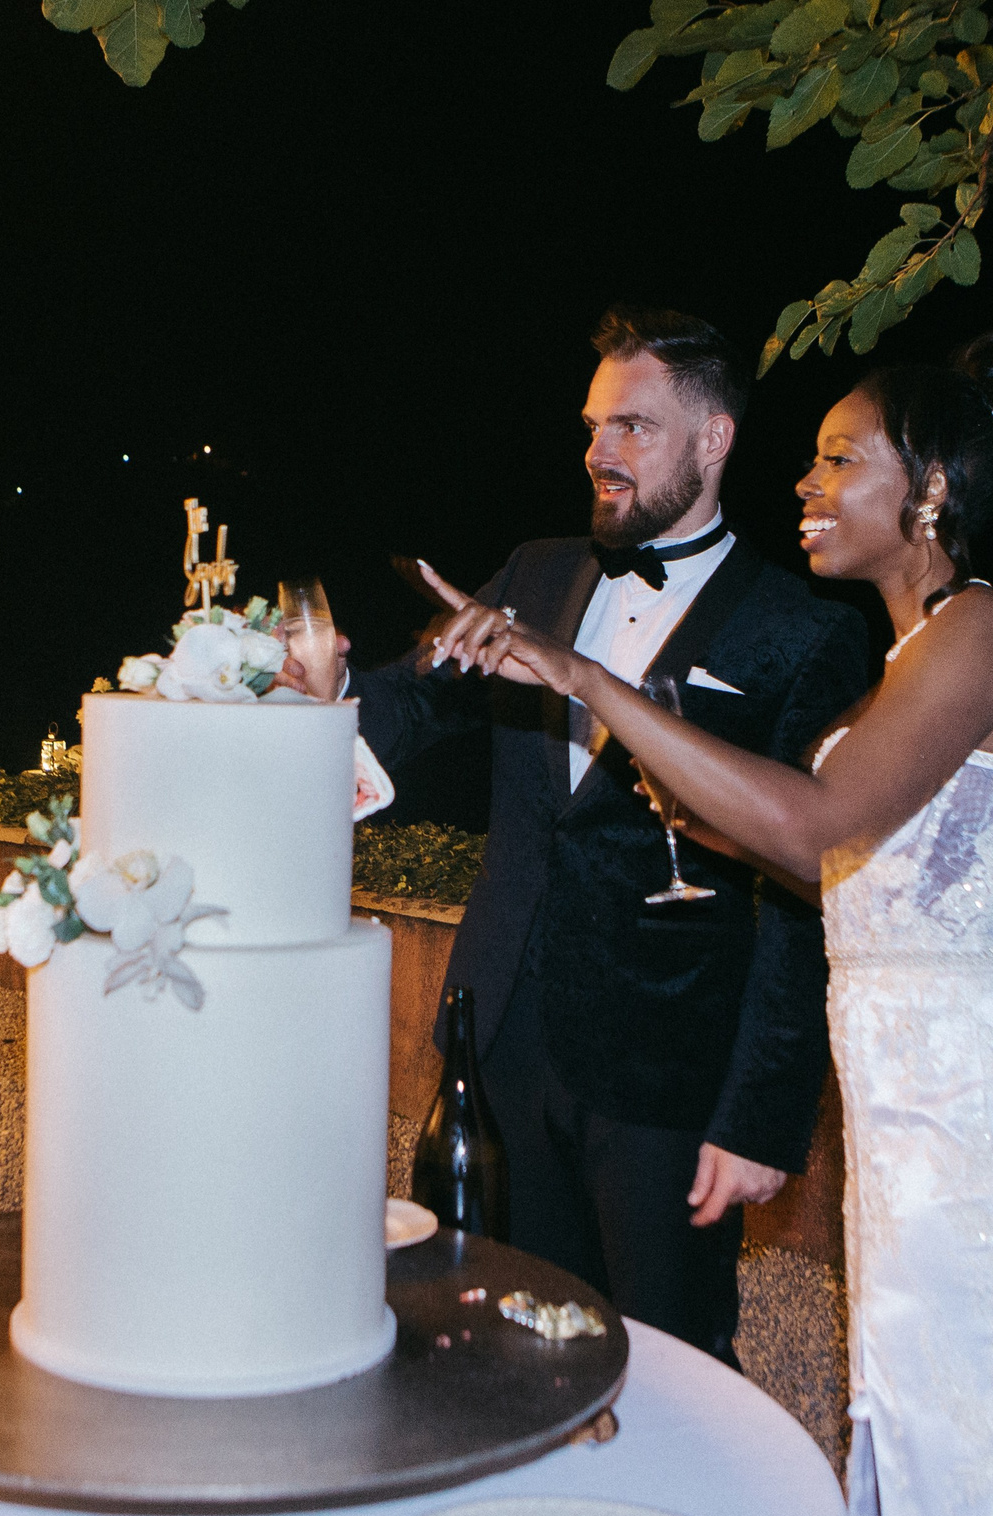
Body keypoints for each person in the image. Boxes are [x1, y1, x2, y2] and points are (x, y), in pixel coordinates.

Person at [452, 332, 993, 1516]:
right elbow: (818, 867)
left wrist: (590, 683)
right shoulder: (910, 656)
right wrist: (683, 798)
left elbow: (824, 817)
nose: (809, 479)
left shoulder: (984, 630)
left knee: (990, 1480)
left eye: (845, 457)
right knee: (921, 1458)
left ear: (936, 488)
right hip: (917, 1133)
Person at [294, 307, 867, 1364]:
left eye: (634, 428)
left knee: (672, 1359)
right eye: (594, 426)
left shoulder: (805, 631)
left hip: (668, 1072)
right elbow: (413, 708)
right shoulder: (535, 573)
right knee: (503, 1334)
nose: (601, 452)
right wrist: (315, 692)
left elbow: (805, 892)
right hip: (503, 1031)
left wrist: (761, 1115)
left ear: (714, 440)